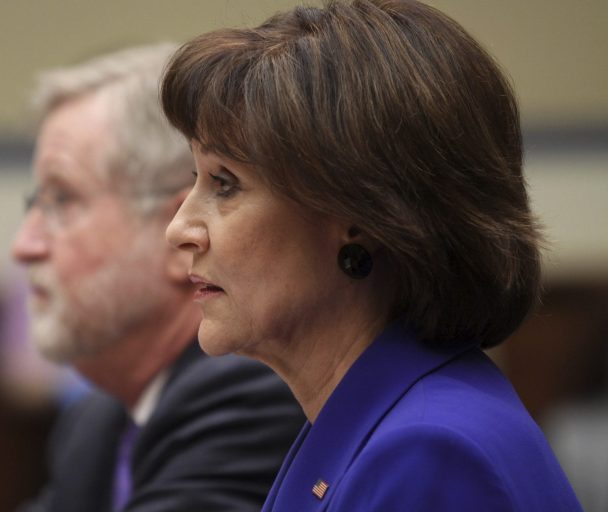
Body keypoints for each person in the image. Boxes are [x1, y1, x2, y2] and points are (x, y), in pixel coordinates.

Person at [160, 1, 583, 510]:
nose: (179, 229)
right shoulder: (370, 420)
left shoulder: (428, 452)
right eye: (196, 180)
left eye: (225, 184)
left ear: (358, 216)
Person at [11, 43, 304, 512]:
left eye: (61, 200)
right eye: (34, 205)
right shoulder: (96, 420)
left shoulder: (249, 393)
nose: (23, 246)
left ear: (174, 236)